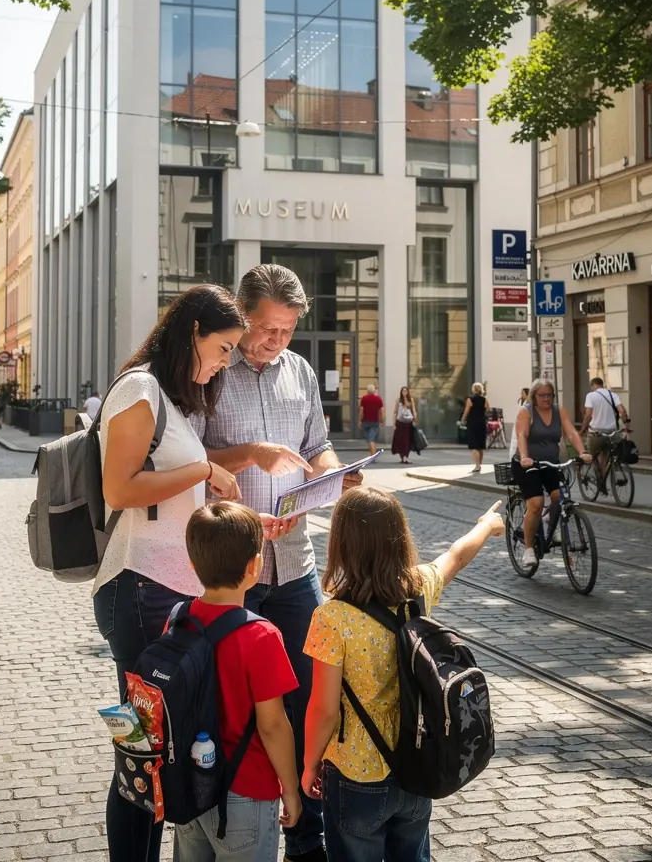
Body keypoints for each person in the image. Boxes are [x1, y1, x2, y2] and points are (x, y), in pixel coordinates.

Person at [194, 263, 362, 862]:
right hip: (228, 569)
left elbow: (317, 446)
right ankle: (222, 822)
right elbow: (190, 456)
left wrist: (335, 477)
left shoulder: (300, 372)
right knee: (225, 705)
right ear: (242, 317)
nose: (276, 342)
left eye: (287, 331)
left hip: (294, 563)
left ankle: (306, 830)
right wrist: (252, 455)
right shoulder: (210, 369)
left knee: (309, 697)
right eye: (267, 329)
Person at [95, 284, 245, 862]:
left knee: (161, 747)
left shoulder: (175, 401)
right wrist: (203, 469)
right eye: (224, 347)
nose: (226, 361)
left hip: (169, 591)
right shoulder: (140, 389)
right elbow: (121, 488)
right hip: (138, 590)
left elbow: (175, 503)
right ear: (193, 334)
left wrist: (243, 519)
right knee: (143, 751)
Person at [301, 488, 504, 862]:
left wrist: (310, 764)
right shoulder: (418, 589)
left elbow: (324, 709)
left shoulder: (331, 619)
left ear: (341, 544)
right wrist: (486, 524)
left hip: (355, 774)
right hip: (416, 760)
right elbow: (456, 555)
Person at [174, 502, 302, 862]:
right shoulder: (261, 635)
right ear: (255, 567)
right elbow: (274, 725)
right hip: (246, 793)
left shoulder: (177, 619)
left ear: (193, 564)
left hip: (190, 786)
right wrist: (290, 791)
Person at [514, 378, 591, 568]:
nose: (546, 399)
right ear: (534, 396)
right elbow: (521, 435)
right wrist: (525, 457)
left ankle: (551, 524)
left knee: (560, 496)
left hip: (551, 463)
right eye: (542, 395)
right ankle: (529, 549)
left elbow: (571, 433)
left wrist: (582, 452)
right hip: (528, 465)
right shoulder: (526, 412)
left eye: (549, 395)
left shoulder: (559, 410)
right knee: (536, 503)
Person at [579, 377, 631, 478]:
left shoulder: (591, 395)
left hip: (596, 433)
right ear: (602, 385)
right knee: (605, 454)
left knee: (592, 456)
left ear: (593, 385)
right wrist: (626, 425)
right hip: (612, 432)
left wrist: (583, 429)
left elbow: (588, 415)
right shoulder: (613, 395)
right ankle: (604, 475)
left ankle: (599, 476)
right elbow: (622, 411)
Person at [460, 382, 489, 473]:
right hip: (482, 423)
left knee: (474, 445)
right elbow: (487, 409)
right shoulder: (485, 399)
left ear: (473, 389)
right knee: (480, 445)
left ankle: (477, 465)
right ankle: (479, 464)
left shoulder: (470, 399)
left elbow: (466, 411)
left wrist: (462, 420)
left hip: (473, 423)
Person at [391, 386, 416, 465]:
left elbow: (413, 410)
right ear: (401, 392)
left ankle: (406, 457)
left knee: (407, 440)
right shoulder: (398, 400)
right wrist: (394, 424)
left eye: (406, 391)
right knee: (400, 440)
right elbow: (395, 412)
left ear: (408, 392)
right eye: (403, 391)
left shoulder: (410, 400)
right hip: (400, 422)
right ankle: (402, 457)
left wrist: (415, 419)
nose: (404, 392)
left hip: (408, 423)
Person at [359, 384, 384, 456]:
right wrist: (382, 421)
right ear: (374, 390)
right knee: (371, 439)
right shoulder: (378, 399)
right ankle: (373, 455)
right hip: (375, 422)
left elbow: (361, 410)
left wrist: (359, 420)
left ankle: (372, 455)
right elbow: (382, 411)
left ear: (367, 391)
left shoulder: (364, 398)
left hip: (366, 421)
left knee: (370, 439)